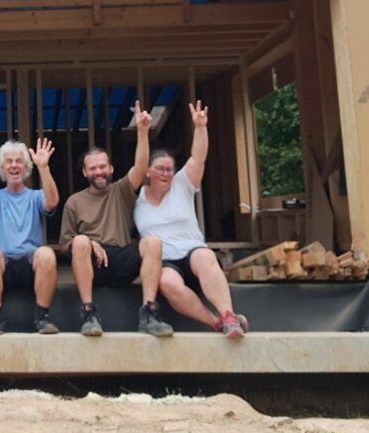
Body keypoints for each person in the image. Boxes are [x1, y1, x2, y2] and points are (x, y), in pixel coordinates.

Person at [133, 100, 249, 338]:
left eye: (169, 169)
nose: (166, 174)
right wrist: (142, 132)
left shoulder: (182, 184)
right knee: (167, 284)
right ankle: (217, 324)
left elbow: (198, 158)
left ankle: (228, 315)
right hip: (165, 261)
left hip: (192, 252)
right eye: (160, 168)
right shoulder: (136, 197)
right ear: (148, 171)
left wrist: (200, 127)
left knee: (206, 256)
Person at [59, 101, 174, 338]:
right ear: (85, 172)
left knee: (152, 242)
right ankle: (89, 314)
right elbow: (65, 245)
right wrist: (90, 243)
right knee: (80, 241)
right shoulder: (74, 202)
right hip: (94, 264)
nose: (98, 172)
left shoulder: (121, 190)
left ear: (111, 168)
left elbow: (140, 167)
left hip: (122, 258)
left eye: (102, 167)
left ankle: (149, 313)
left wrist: (142, 132)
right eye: (93, 168)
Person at [0, 123, 60, 334]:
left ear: (26, 167)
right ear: (2, 168)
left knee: (47, 254)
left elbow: (52, 202)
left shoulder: (35, 196)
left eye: (19, 161)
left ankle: (42, 318)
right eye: (9, 161)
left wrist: (44, 167)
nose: (14, 165)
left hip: (30, 264)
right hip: (3, 266)